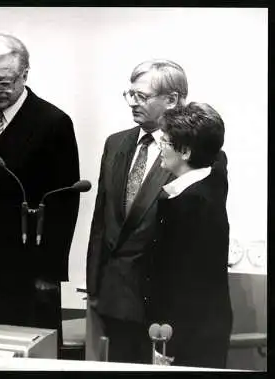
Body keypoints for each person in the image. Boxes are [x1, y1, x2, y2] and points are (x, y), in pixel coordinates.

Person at [0, 33, 80, 352]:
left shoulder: (53, 122)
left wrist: (50, 271)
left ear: (24, 74)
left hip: (26, 268)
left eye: (4, 82)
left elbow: (65, 201)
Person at [85, 59, 191, 364]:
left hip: (163, 301)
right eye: (129, 94)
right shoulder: (116, 143)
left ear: (171, 100)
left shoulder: (192, 149)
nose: (132, 102)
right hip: (114, 296)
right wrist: (95, 285)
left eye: (141, 96)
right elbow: (100, 219)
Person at [148, 102, 232, 368]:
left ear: (185, 151)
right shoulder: (214, 177)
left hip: (188, 334)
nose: (160, 147)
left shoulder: (192, 205)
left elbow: (187, 283)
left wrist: (169, 344)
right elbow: (220, 158)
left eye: (165, 141)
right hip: (206, 326)